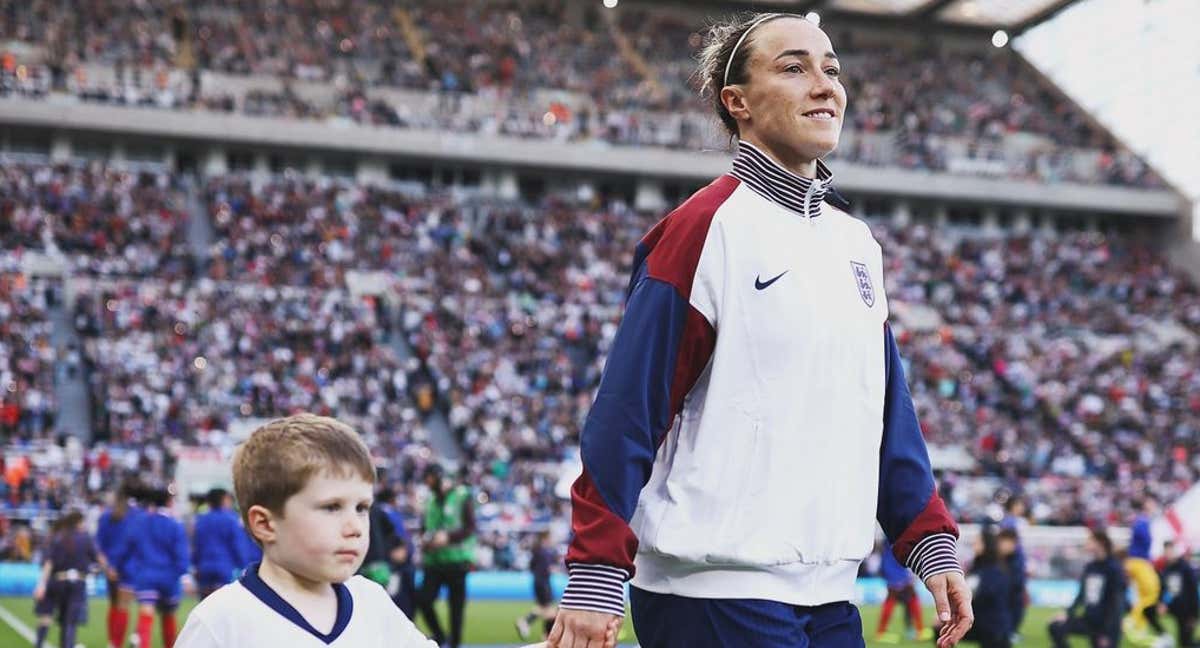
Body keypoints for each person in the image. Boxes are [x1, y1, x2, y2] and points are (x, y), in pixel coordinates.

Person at [550, 11, 972, 648]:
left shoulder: (857, 244)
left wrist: (930, 544)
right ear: (737, 102)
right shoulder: (704, 228)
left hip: (831, 594)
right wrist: (596, 573)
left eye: (831, 69)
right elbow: (629, 410)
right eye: (794, 67)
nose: (825, 84)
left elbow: (885, 414)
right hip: (714, 592)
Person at [175, 413, 437, 647]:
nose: (355, 527)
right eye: (332, 507)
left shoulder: (372, 602)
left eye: (361, 507)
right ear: (265, 524)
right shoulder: (220, 623)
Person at [112, 485, 190, 648]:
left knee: (146, 615)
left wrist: (116, 566)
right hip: (169, 577)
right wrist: (179, 573)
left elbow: (125, 547)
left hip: (146, 575)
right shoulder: (175, 525)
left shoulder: (140, 522)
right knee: (168, 616)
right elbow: (182, 556)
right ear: (169, 502)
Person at [417, 464, 477, 648]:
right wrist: (427, 540)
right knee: (424, 600)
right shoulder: (429, 501)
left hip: (457, 561)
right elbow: (424, 528)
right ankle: (440, 637)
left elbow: (470, 528)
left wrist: (448, 537)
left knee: (456, 610)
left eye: (430, 480)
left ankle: (454, 644)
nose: (428, 484)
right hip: (434, 561)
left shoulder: (461, 496)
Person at [1048, 529, 1126, 648]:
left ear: (1100, 543)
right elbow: (1082, 595)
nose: (1086, 544)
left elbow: (1117, 602)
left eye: (1089, 541)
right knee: (1056, 626)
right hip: (1089, 620)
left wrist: (1107, 631)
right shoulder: (1090, 567)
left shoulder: (1114, 568)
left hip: (1108, 624)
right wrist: (1067, 613)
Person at [32, 510, 97, 648]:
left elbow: (47, 562)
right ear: (78, 522)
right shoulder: (84, 538)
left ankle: (39, 644)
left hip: (55, 581)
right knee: (69, 621)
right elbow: (96, 559)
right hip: (75, 582)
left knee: (47, 617)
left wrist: (41, 584)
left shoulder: (55, 537)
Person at [97, 480, 141, 648]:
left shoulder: (106, 516)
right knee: (125, 606)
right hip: (130, 567)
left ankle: (113, 643)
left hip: (111, 567)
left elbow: (99, 546)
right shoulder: (137, 515)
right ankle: (124, 641)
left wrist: (107, 566)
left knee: (114, 604)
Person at [952, 529, 1012, 648]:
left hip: (994, 628)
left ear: (987, 545)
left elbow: (985, 595)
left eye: (977, 542)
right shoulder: (977, 567)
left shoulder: (995, 570)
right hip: (980, 624)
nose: (974, 544)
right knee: (941, 630)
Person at [192, 487, 254, 599]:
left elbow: (197, 546)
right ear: (224, 500)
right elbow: (239, 546)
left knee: (206, 605)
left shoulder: (201, 520)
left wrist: (196, 565)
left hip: (204, 567)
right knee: (224, 604)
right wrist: (244, 565)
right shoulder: (231, 520)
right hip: (225, 567)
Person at [875, 540, 929, 642]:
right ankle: (918, 631)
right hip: (896, 574)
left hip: (895, 572)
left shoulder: (889, 541)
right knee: (907, 597)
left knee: (906, 598)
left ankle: (916, 630)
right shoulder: (892, 537)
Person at [516, 531, 559, 641]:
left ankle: (529, 624)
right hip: (543, 583)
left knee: (543, 608)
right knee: (550, 611)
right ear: (546, 538)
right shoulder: (545, 552)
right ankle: (544, 634)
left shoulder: (537, 551)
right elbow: (549, 568)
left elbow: (531, 566)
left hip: (538, 582)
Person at [1158, 539, 1198, 648]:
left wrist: (1193, 615)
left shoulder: (1185, 568)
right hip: (1177, 611)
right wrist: (1163, 602)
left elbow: (1193, 592)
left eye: (1170, 551)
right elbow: (1171, 590)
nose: (1168, 554)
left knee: (1187, 642)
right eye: (1166, 551)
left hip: (1188, 612)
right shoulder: (1167, 569)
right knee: (1183, 641)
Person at [998, 500, 1029, 636]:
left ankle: (1010, 630)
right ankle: (1010, 631)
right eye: (1020, 504)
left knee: (1015, 599)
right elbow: (1006, 547)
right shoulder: (1009, 523)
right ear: (1014, 506)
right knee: (1015, 600)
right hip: (1013, 566)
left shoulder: (1011, 521)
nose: (1022, 507)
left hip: (1015, 565)